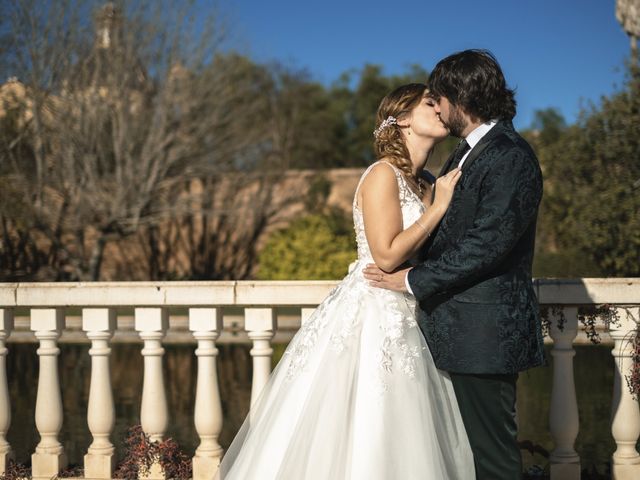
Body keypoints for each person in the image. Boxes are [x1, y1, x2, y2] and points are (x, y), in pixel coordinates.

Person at [217, 83, 475, 479]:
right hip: (372, 317)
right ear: (402, 119)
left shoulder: (426, 181)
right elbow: (386, 254)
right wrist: (439, 208)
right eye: (429, 102)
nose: (441, 108)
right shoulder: (381, 175)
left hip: (414, 314)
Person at [364, 50, 545, 479]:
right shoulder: (464, 155)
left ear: (458, 97)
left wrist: (413, 279)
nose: (438, 108)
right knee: (461, 458)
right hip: (451, 334)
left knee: (492, 459)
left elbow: (488, 244)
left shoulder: (509, 155)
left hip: (484, 335)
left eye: (438, 98)